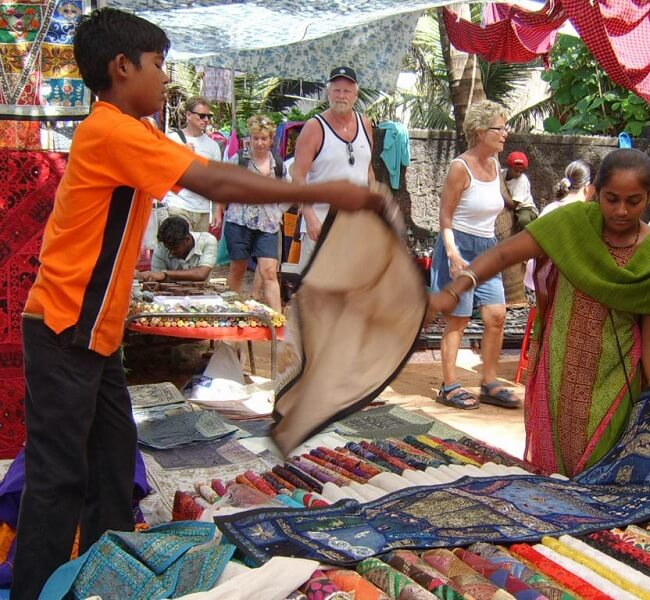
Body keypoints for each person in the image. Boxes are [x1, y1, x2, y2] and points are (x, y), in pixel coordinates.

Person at [12, 9, 384, 600]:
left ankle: (105, 581)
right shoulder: (111, 130)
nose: (165, 78)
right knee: (60, 477)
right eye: (158, 65)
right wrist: (312, 188)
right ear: (122, 66)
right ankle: (36, 590)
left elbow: (209, 172)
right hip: (67, 326)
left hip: (94, 330)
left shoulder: (130, 129)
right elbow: (216, 183)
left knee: (110, 468)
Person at [429, 148, 650, 475]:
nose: (621, 210)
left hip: (615, 381)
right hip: (558, 373)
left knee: (599, 477)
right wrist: (456, 287)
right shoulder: (572, 225)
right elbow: (506, 254)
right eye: (611, 199)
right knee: (553, 476)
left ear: (648, 197)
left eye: (633, 201)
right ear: (593, 193)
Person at [431, 99, 520, 411]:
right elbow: (445, 216)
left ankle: (489, 382)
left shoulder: (496, 166)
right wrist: (453, 252)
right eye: (499, 128)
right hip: (459, 246)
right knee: (458, 319)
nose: (505, 133)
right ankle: (449, 385)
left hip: (487, 247)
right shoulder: (460, 167)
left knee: (496, 315)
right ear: (480, 132)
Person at [292, 66, 374, 268]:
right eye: (336, 90)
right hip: (321, 223)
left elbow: (368, 170)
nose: (341, 96)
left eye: (347, 91)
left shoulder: (365, 124)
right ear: (328, 93)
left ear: (356, 95)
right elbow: (298, 175)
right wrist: (310, 217)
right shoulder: (314, 127)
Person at [215, 114, 286, 310]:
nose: (260, 143)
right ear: (250, 139)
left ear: (271, 139)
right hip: (239, 222)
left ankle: (278, 325)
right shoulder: (238, 160)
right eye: (256, 138)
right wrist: (218, 210)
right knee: (237, 268)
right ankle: (230, 315)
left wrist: (278, 211)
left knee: (270, 272)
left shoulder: (278, 165)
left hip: (268, 225)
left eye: (264, 138)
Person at [163, 95, 222, 232]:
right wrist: (181, 156)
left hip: (202, 209)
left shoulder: (213, 146)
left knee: (197, 251)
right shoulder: (172, 140)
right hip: (177, 205)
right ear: (189, 115)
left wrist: (217, 210)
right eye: (202, 116)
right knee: (179, 249)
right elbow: (161, 172)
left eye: (209, 116)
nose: (206, 120)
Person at [136, 215, 218, 282]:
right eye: (169, 248)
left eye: (175, 248)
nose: (172, 252)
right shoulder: (161, 247)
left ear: (187, 240)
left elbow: (201, 274)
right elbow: (157, 278)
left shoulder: (207, 240)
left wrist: (164, 274)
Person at [502, 151, 537, 227]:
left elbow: (514, 205)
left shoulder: (522, 180)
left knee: (523, 220)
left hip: (524, 208)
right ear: (509, 167)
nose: (518, 174)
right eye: (516, 170)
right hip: (510, 205)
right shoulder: (502, 174)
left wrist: (500, 194)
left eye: (521, 171)